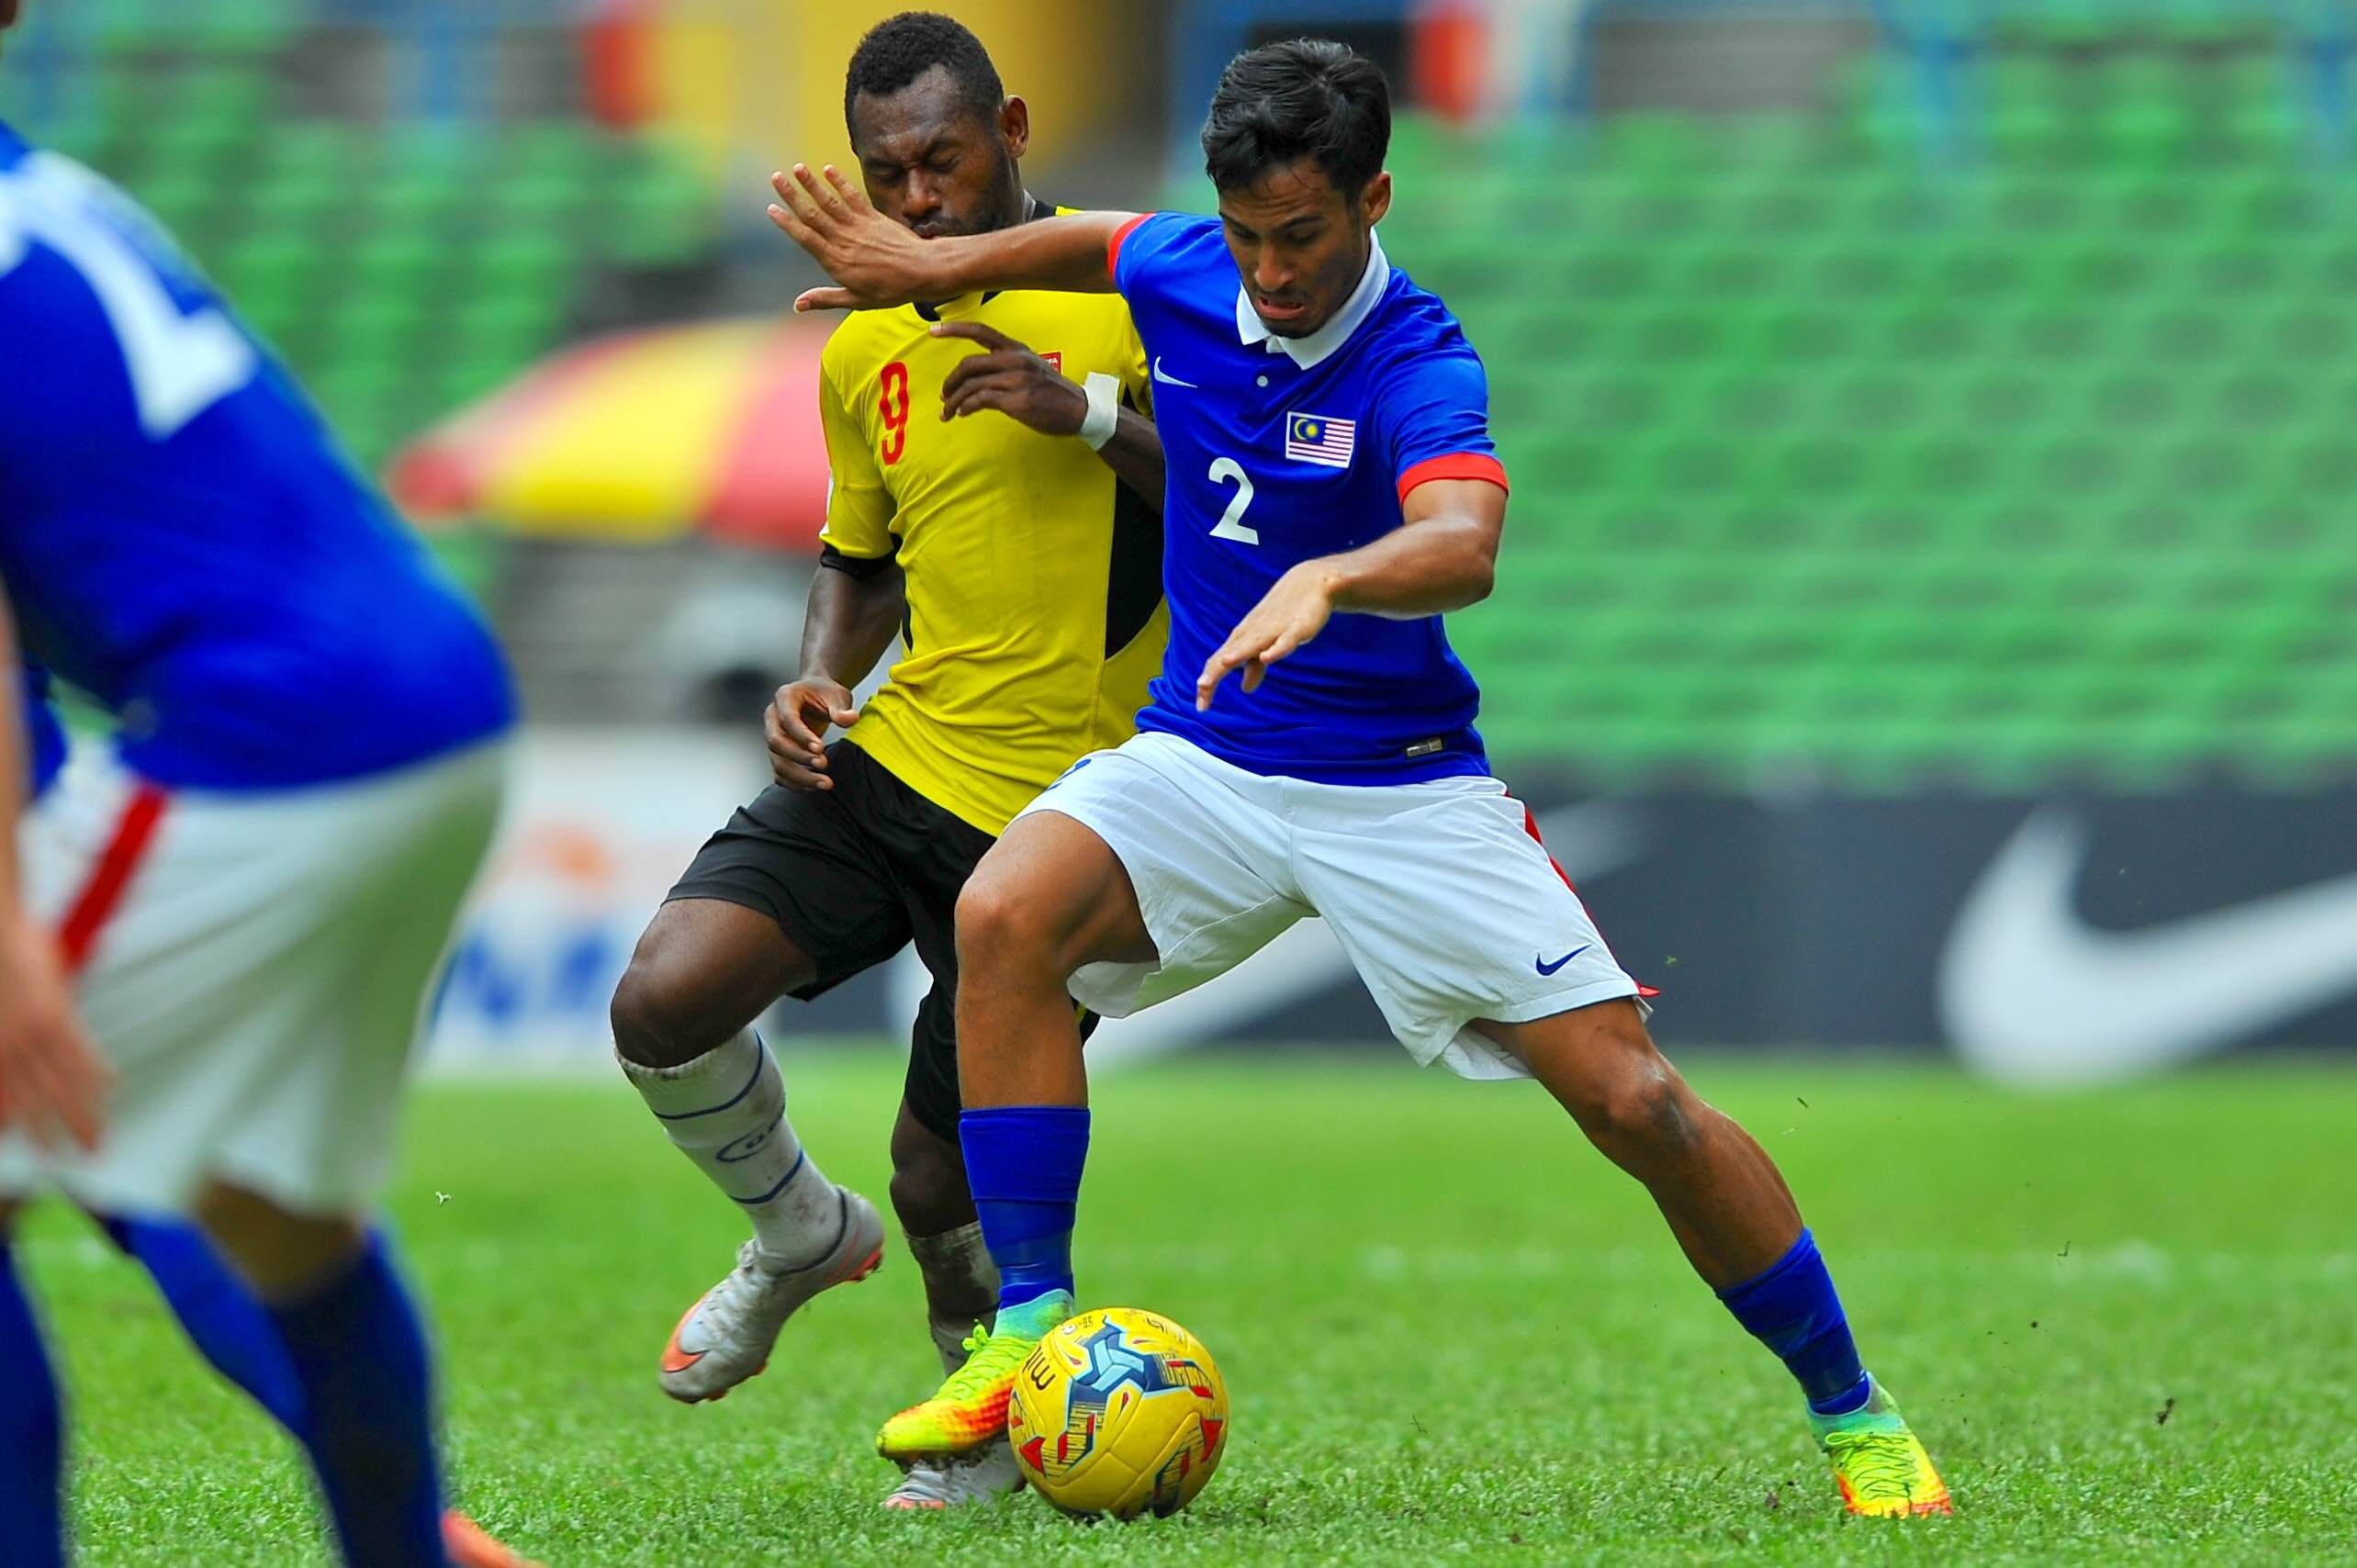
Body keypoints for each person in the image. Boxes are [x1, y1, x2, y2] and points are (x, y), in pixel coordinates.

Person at [767, 36, 1954, 1518]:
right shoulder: (1191, 264)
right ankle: (1021, 1335)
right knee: (1009, 914)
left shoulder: (1419, 356)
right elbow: (1092, 239)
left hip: (1396, 787)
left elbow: (1465, 541)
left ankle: (1855, 1412)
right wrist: (925, 265)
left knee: (1635, 1104)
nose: (1270, 271)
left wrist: (1336, 575)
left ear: (1375, 198)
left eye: (1304, 236)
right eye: (1250, 235)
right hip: (1207, 759)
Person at [608, 11, 1165, 1511]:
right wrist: (816, 673)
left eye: (943, 158)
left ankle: (980, 1426)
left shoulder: (1131, 291)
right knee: (661, 1000)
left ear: (1018, 128)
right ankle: (797, 1228)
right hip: (898, 758)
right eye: (887, 172)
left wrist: (1087, 410)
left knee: (943, 1185)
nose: (916, 199)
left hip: (1073, 814)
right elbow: (859, 557)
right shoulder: (862, 343)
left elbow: (1257, 490)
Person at [0, 7, 533, 1556]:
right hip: (436, 699)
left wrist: (16, 932)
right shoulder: (51, 196)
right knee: (268, 1218)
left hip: (279, 735)